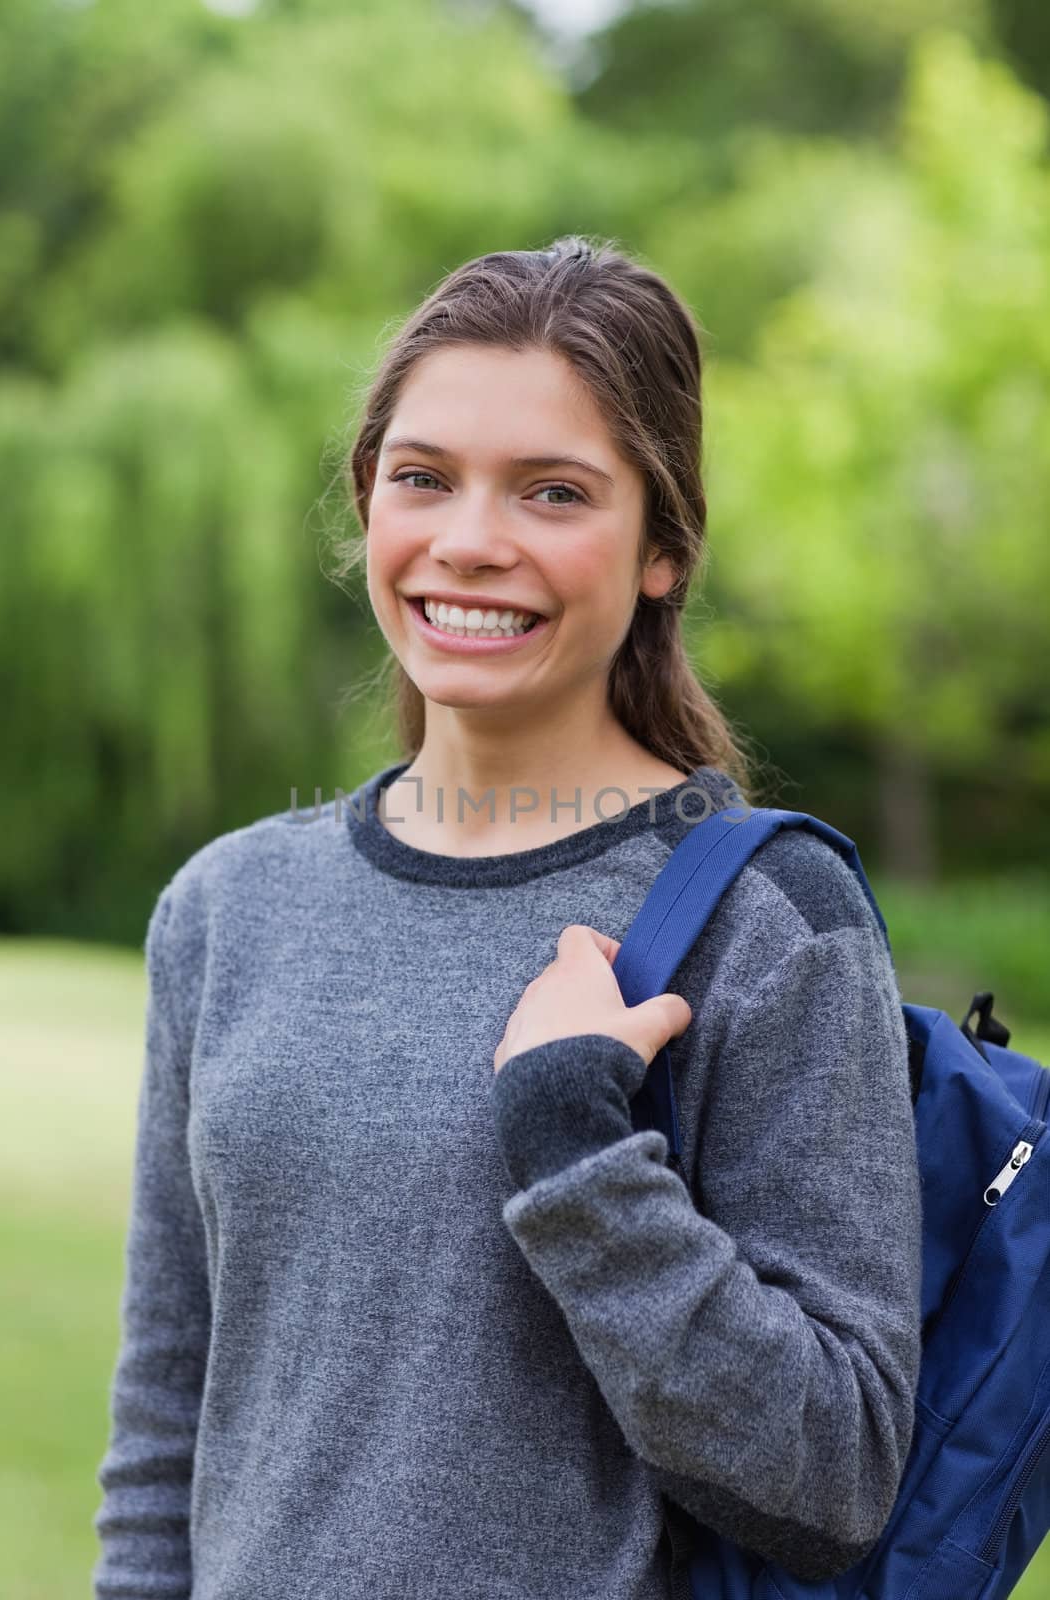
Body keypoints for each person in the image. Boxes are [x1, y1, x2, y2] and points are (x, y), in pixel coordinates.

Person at [92, 236, 923, 1600]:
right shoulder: (227, 909)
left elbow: (835, 1476)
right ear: (368, 501)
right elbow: (163, 1439)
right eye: (423, 478)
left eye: (553, 491)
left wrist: (575, 1150)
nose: (469, 541)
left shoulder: (771, 922)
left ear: (662, 549)